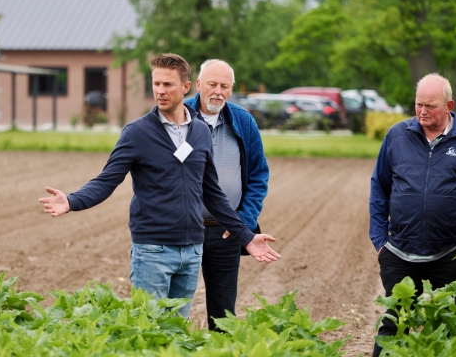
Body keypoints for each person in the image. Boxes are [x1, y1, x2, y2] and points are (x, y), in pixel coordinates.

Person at [39, 53, 281, 319]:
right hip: (154, 250)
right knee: (149, 330)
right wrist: (72, 201)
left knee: (177, 330)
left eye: (168, 85)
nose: (160, 91)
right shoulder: (137, 133)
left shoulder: (199, 132)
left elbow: (212, 194)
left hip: (191, 250)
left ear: (185, 87)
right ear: (199, 86)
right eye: (156, 84)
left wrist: (246, 235)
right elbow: (107, 180)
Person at [369, 72, 456, 356]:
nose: (422, 111)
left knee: (450, 328)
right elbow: (379, 188)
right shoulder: (397, 136)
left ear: (449, 106)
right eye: (418, 104)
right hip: (400, 254)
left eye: (430, 106)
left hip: (450, 256)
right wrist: (379, 241)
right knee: (393, 327)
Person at [184, 59, 269, 331]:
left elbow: (258, 175)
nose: (217, 91)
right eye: (212, 84)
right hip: (183, 230)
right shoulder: (177, 114)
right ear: (198, 85)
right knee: (174, 310)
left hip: (227, 232)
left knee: (223, 318)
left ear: (231, 89)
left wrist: (242, 222)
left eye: (224, 86)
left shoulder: (242, 120)